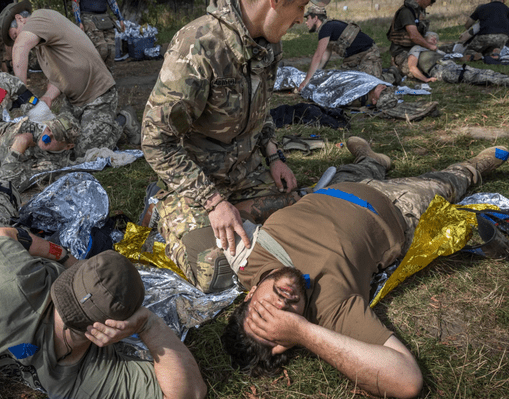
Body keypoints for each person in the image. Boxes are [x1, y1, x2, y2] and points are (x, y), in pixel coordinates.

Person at [219, 137, 509, 398]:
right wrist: (303, 332)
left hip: (335, 188)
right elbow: (407, 381)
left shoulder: (247, 257)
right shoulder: (330, 310)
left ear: (250, 293)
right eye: (282, 320)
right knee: (446, 183)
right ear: (287, 340)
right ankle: (472, 167)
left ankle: (372, 159)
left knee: (363, 167)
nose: (282, 303)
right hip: (397, 205)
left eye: (263, 311)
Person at [0, 172, 207, 399]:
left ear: (61, 283)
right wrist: (147, 323)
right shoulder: (78, 381)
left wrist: (62, 255)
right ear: (111, 328)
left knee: (2, 197)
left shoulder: (14, 285)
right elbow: (190, 392)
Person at [141, 0, 309, 293]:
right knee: (214, 272)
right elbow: (156, 140)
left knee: (303, 213)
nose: (301, 19)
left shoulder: (268, 46)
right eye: (300, 6)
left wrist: (274, 156)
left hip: (245, 172)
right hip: (197, 183)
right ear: (276, 2)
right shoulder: (199, 46)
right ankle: (164, 210)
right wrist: (214, 202)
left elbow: (260, 111)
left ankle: (236, 213)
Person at [0, 1, 140, 160]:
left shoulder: (40, 18)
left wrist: (19, 89)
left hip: (99, 96)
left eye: (15, 35)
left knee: (85, 152)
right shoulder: (42, 44)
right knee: (62, 142)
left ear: (20, 19)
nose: (17, 39)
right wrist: (48, 96)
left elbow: (20, 46)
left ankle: (122, 120)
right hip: (73, 102)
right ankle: (98, 127)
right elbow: (58, 77)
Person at [298, 5, 382, 91]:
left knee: (370, 83)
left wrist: (306, 81)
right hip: (352, 59)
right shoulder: (327, 28)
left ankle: (392, 74)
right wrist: (313, 78)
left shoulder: (326, 28)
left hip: (368, 53)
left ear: (315, 18)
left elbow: (318, 56)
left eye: (307, 18)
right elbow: (324, 58)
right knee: (345, 85)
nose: (306, 22)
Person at [408, 32, 509, 86]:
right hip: (439, 69)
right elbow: (412, 67)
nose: (434, 39)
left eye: (436, 38)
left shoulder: (438, 51)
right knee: (473, 76)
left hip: (452, 65)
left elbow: (456, 55)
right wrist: (425, 80)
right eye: (431, 37)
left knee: (483, 71)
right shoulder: (418, 48)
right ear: (424, 38)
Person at [387, 0, 437, 77]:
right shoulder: (406, 12)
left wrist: (427, 39)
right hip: (402, 52)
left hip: (414, 48)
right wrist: (429, 46)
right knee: (420, 70)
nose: (431, 4)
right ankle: (396, 65)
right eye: (432, 1)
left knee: (433, 58)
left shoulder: (418, 11)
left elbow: (419, 33)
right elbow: (414, 36)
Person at [72, 0, 125, 70]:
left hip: (104, 18)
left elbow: (112, 2)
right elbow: (75, 2)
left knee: (111, 51)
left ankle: (108, 78)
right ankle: (95, 75)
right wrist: (79, 22)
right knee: (102, 49)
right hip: (88, 17)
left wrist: (120, 18)